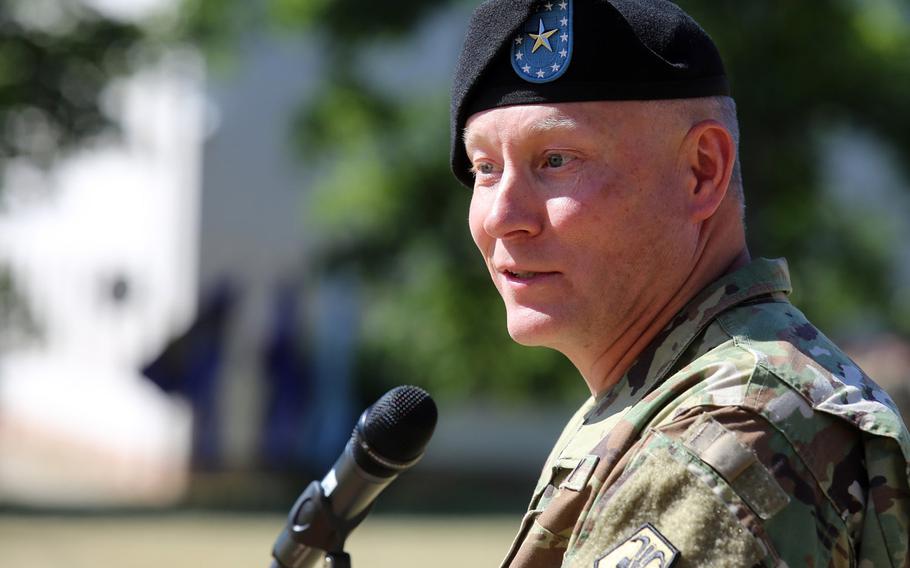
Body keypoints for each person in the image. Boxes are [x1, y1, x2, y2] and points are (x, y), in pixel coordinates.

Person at [449, 1, 910, 566]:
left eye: (556, 159)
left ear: (702, 171)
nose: (501, 215)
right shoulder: (665, 396)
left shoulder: (728, 434)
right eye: (485, 168)